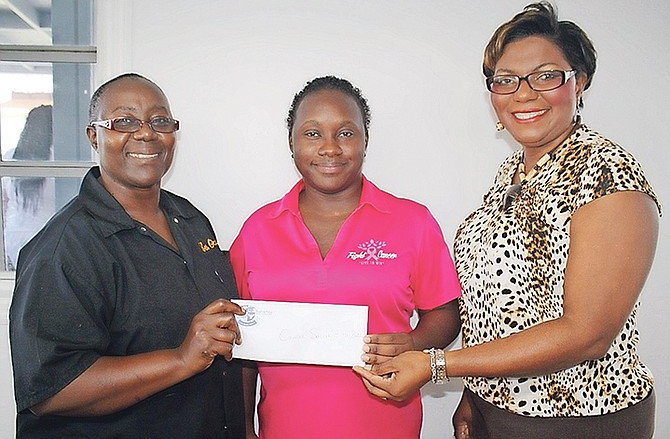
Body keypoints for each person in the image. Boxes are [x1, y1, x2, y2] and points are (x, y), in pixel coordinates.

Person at [354, 2, 661, 439]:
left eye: (546, 75)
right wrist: (474, 394)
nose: (524, 93)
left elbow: (587, 333)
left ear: (581, 81)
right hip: (500, 413)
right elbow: (498, 304)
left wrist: (438, 366)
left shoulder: (607, 175)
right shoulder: (511, 174)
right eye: (506, 80)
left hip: (579, 420)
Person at [9, 73, 246, 438]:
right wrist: (180, 360)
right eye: (125, 122)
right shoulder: (64, 248)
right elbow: (51, 389)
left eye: (159, 121)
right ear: (94, 135)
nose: (146, 133)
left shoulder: (191, 219)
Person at [229, 75, 462, 438]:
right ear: (291, 143)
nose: (330, 148)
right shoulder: (257, 230)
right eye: (312, 133)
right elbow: (241, 341)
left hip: (387, 427)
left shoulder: (413, 222)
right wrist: (243, 425)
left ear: (365, 140)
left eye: (346, 133)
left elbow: (446, 314)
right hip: (283, 429)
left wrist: (415, 342)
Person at [3, 104, 55, 270]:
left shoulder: (11, 157)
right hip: (46, 239)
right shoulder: (58, 158)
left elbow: (5, 201)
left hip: (13, 240)